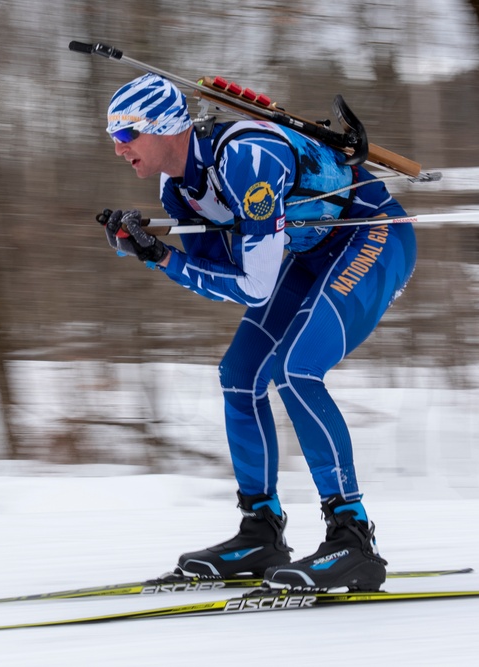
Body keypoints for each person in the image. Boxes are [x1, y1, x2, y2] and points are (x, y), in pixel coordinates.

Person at [99, 73, 417, 591]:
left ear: (163, 126)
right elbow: (221, 274)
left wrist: (163, 259)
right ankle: (260, 530)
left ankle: (353, 537)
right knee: (239, 375)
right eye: (112, 134)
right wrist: (151, 250)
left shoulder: (248, 160)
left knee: (296, 371)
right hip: (311, 254)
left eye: (127, 133)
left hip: (369, 237)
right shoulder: (177, 188)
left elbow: (252, 285)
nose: (118, 147)